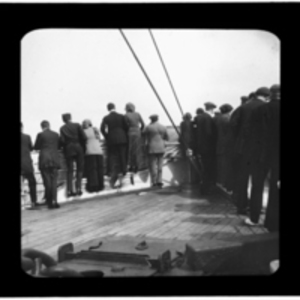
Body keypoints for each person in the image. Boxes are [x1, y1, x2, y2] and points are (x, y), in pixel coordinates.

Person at [230, 87, 270, 215]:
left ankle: (241, 207)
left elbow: (232, 125)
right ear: (267, 96)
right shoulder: (266, 107)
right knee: (257, 182)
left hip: (242, 149)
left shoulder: (242, 107)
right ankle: (255, 208)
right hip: (259, 151)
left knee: (242, 179)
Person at [245, 84, 280, 231]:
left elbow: (251, 134)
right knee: (276, 187)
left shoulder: (259, 110)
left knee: (257, 186)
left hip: (260, 155)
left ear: (270, 94)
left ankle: (254, 218)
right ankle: (272, 222)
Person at [101, 103, 128, 188]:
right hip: (122, 138)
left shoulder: (106, 118)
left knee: (112, 156)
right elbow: (126, 127)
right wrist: (124, 134)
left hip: (112, 139)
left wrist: (107, 136)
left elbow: (102, 129)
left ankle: (110, 171)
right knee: (122, 155)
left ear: (108, 109)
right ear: (114, 107)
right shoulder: (121, 116)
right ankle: (124, 171)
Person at [34, 120, 61, 209]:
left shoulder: (40, 135)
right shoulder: (56, 134)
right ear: (49, 125)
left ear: (42, 127)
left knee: (47, 181)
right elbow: (59, 146)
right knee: (54, 181)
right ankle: (54, 201)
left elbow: (36, 147)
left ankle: (49, 202)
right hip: (54, 159)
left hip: (44, 160)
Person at [60, 113, 87, 197]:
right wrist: (81, 145)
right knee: (79, 169)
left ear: (63, 120)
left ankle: (69, 191)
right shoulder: (77, 125)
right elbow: (84, 137)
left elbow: (62, 141)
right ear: (70, 118)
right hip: (78, 148)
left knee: (70, 170)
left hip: (68, 149)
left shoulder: (62, 128)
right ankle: (79, 188)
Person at [193, 104, 217, 194]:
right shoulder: (207, 118)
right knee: (208, 168)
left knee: (204, 167)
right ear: (211, 109)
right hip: (208, 148)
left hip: (201, 147)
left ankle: (204, 188)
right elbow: (208, 133)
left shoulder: (199, 117)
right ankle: (206, 189)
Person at [143, 114, 169, 188]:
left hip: (152, 148)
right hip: (161, 147)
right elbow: (167, 137)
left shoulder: (148, 127)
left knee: (153, 166)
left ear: (151, 119)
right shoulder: (163, 127)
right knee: (160, 166)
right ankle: (159, 181)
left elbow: (143, 133)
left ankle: (153, 182)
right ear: (157, 119)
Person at [214, 104, 234, 191]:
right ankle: (226, 183)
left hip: (219, 144)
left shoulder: (217, 118)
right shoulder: (227, 118)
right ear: (229, 110)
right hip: (227, 145)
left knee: (221, 165)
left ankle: (221, 182)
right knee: (227, 166)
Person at [82, 119, 104, 193]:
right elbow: (99, 138)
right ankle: (101, 185)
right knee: (100, 169)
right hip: (99, 151)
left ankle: (93, 186)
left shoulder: (83, 131)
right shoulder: (95, 129)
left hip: (89, 152)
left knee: (92, 169)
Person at [124, 102, 145, 173]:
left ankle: (131, 166)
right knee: (137, 149)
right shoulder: (138, 114)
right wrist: (140, 130)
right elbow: (143, 124)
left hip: (130, 132)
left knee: (130, 149)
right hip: (137, 132)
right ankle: (137, 166)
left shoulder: (126, 115)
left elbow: (125, 126)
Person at [21, 122, 38, 209]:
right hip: (26, 164)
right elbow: (31, 148)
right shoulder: (27, 137)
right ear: (22, 127)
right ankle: (34, 202)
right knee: (32, 183)